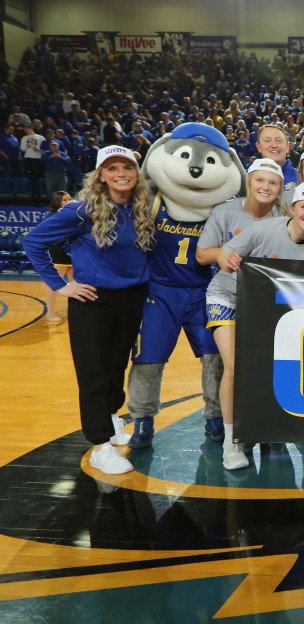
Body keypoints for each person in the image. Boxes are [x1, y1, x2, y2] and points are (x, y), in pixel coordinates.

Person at [23, 145, 155, 475]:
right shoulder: (82, 210)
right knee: (93, 372)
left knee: (115, 366)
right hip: (92, 301)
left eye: (127, 167)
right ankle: (99, 445)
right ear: (100, 175)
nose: (121, 173)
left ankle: (111, 416)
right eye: (112, 168)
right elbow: (34, 241)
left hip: (131, 298)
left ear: (137, 173)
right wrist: (60, 285)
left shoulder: (142, 207)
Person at [206, 182, 304, 470]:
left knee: (289, 362)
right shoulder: (265, 229)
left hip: (271, 309)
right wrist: (228, 259)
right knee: (235, 367)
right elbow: (222, 254)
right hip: (229, 297)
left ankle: (286, 424)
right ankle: (233, 440)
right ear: (292, 208)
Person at [42, 190, 73, 322]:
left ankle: (75, 313)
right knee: (55, 284)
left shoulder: (71, 213)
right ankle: (50, 313)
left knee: (76, 284)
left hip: (72, 252)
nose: (68, 202)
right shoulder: (50, 216)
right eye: (65, 200)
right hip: (58, 252)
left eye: (70, 199)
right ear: (57, 202)